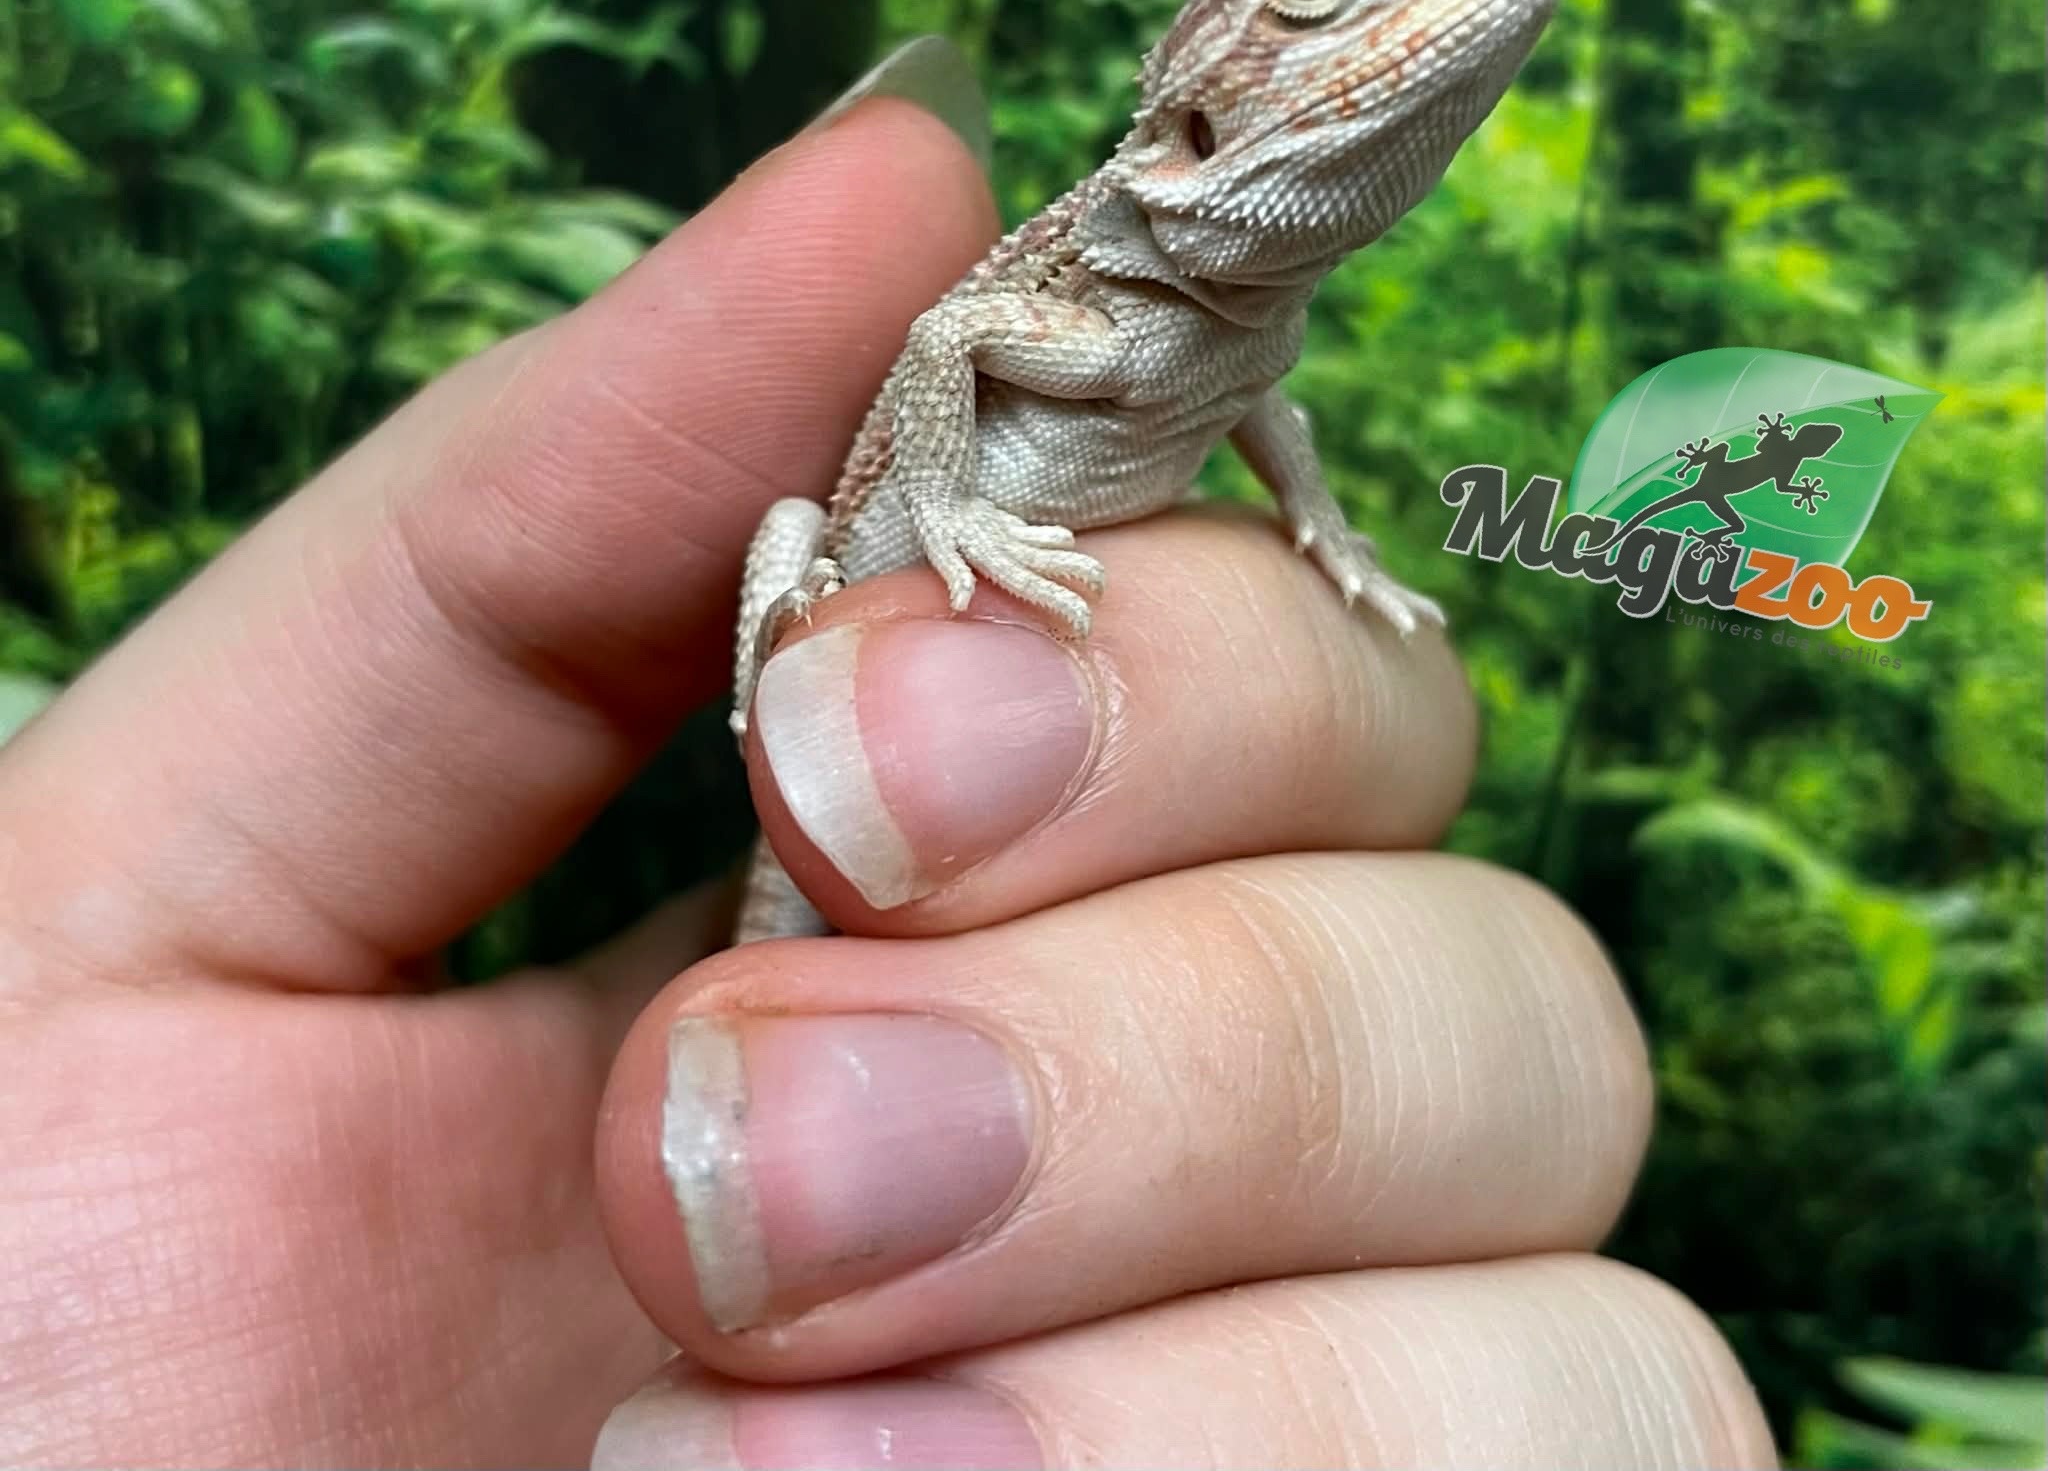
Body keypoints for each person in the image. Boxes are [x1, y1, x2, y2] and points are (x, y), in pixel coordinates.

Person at [0, 71, 1776, 1469]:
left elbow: (1264, 408)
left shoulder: (1236, 324)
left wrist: (1322, 532)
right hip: (862, 556)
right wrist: (921, 519)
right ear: (1196, 112)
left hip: (923, 778)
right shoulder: (1094, 296)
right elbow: (945, 340)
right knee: (803, 562)